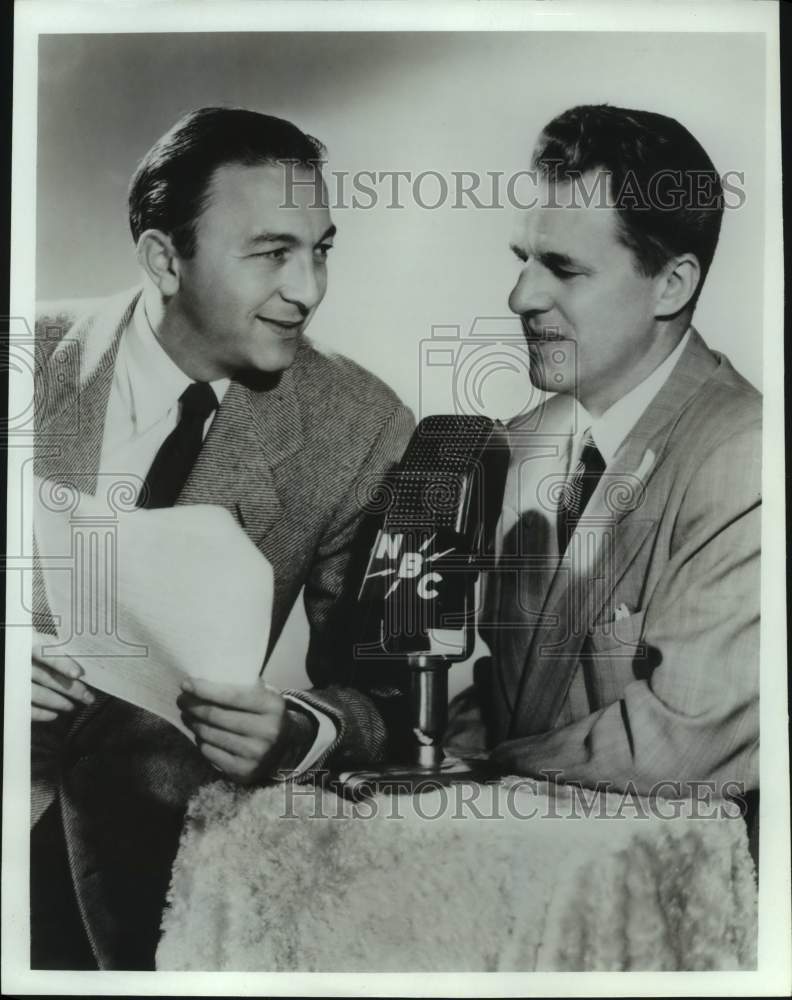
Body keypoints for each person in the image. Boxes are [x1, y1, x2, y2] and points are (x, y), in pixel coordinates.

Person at [30, 106, 414, 969]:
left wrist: (299, 731)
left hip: (156, 869)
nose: (308, 289)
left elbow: (387, 694)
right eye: (272, 252)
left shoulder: (361, 423)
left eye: (321, 250)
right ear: (165, 258)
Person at [445, 104, 760, 809]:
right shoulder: (521, 444)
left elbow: (682, 741)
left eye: (562, 268)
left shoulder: (748, 459)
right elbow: (514, 702)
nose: (521, 295)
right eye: (523, 260)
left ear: (672, 285)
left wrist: (480, 771)